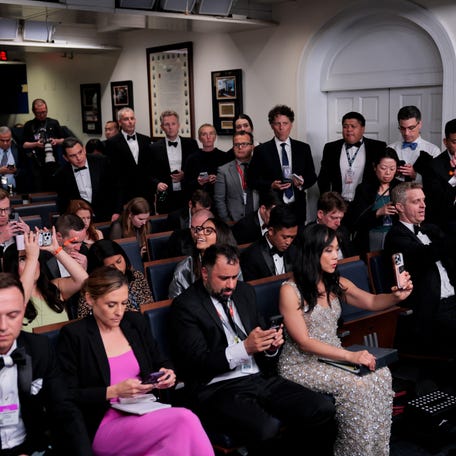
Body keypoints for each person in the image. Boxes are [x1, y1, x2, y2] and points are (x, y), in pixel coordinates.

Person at [169, 243, 337, 456]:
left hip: (259, 378)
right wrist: (245, 348)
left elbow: (259, 339)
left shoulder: (245, 292)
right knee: (266, 428)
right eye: (223, 278)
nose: (231, 285)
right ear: (204, 272)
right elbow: (196, 363)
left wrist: (270, 345)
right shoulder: (185, 306)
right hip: (218, 389)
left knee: (322, 408)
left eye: (234, 277)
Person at [278, 223, 413, 456]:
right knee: (357, 385)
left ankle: (377, 452)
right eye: (329, 250)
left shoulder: (335, 282)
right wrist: (351, 355)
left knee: (381, 374)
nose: (336, 256)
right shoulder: (290, 290)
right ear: (312, 251)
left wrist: (396, 296)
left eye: (337, 249)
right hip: (301, 364)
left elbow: (370, 302)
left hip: (333, 357)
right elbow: (304, 342)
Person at [57, 266, 214, 456]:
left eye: (124, 303)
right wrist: (113, 391)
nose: (119, 311)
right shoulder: (75, 335)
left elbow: (161, 360)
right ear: (90, 299)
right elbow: (67, 395)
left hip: (145, 409)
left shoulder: (134, 322)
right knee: (184, 420)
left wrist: (168, 374)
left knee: (178, 438)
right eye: (111, 304)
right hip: (105, 422)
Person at [0, 272, 91, 455]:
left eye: (12, 315)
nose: (3, 326)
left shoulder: (39, 348)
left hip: (32, 446)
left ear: (24, 311)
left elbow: (64, 409)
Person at [384, 181, 456, 355]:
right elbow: (424, 255)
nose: (423, 206)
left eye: (423, 200)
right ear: (400, 207)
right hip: (431, 307)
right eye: (416, 201)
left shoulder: (430, 229)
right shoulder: (395, 236)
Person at [5, 228, 88, 331]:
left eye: (36, 258)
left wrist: (56, 249)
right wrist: (31, 257)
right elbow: (19, 301)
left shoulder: (54, 287)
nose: (33, 262)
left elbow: (83, 279)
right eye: (23, 259)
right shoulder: (6, 297)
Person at [248, 104, 317, 226]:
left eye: (285, 123)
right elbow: (251, 180)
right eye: (277, 123)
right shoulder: (261, 150)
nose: (281, 127)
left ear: (291, 124)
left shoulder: (303, 148)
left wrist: (302, 183)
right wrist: (271, 185)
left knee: (298, 241)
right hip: (273, 207)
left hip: (297, 206)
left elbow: (312, 176)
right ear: (271, 126)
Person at [318, 111, 387, 204]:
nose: (349, 130)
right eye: (345, 126)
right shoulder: (330, 148)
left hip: (366, 204)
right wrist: (328, 201)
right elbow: (323, 178)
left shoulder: (378, 147)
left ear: (362, 129)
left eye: (353, 126)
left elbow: (383, 177)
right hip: (338, 204)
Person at [345, 147, 401, 255]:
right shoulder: (364, 189)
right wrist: (378, 212)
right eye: (383, 168)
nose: (388, 173)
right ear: (375, 167)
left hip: (395, 237)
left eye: (392, 169)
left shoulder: (400, 187)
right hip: (370, 237)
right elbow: (356, 221)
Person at [77, 239, 153, 318]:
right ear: (99, 269)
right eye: (111, 267)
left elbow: (150, 306)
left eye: (119, 261)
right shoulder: (92, 289)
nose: (118, 269)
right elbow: (86, 320)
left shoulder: (136, 276)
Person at [53, 136, 120, 222]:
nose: (78, 158)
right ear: (66, 158)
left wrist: (117, 211)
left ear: (84, 149)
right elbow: (63, 203)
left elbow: (117, 187)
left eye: (80, 152)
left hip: (107, 216)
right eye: (73, 156)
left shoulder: (102, 161)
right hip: (79, 220)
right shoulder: (61, 175)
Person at [168, 215, 236, 298]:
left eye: (208, 231)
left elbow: (237, 296)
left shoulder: (232, 263)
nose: (199, 233)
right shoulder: (185, 268)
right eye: (200, 229)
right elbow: (176, 303)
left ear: (220, 237)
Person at [150, 110, 199, 214]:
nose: (170, 127)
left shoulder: (191, 144)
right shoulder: (153, 148)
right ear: (162, 127)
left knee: (188, 223)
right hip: (164, 195)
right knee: (165, 223)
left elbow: (197, 169)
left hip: (187, 193)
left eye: (173, 123)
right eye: (167, 124)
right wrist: (157, 184)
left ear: (178, 125)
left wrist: (185, 175)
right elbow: (149, 173)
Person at [104, 108, 154, 207]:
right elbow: (113, 173)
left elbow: (150, 167)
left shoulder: (146, 140)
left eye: (132, 118)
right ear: (120, 122)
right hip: (124, 194)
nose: (130, 122)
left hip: (145, 193)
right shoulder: (111, 143)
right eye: (126, 119)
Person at [240, 204, 298, 281]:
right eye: (285, 237)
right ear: (271, 231)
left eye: (292, 237)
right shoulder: (251, 256)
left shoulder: (295, 251)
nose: (289, 242)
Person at [22, 98, 67, 192]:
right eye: (39, 113)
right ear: (34, 112)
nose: (42, 115)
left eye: (44, 112)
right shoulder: (29, 125)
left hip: (53, 162)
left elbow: (64, 140)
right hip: (36, 164)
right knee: (39, 189)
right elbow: (24, 144)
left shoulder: (53, 123)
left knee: (54, 189)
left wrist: (55, 141)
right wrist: (36, 144)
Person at [387, 105, 440, 183]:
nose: (406, 133)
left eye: (411, 128)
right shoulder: (390, 148)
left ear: (419, 124)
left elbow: (437, 181)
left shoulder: (433, 150)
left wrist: (415, 175)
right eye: (402, 128)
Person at [214, 131, 259, 223]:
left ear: (252, 146)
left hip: (258, 221)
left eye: (244, 144)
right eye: (236, 144)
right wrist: (227, 221)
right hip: (234, 222)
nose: (240, 147)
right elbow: (219, 200)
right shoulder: (223, 170)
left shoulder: (261, 167)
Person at [423, 118, 456, 233]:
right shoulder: (433, 166)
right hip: (445, 226)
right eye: (455, 142)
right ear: (445, 142)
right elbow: (437, 203)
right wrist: (455, 179)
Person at [183, 123, 229, 199]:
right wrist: (198, 182)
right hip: (198, 200)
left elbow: (230, 181)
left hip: (219, 199)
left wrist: (218, 179)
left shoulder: (224, 157)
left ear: (215, 136)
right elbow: (185, 184)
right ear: (200, 138)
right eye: (204, 134)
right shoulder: (192, 158)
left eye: (211, 133)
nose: (208, 137)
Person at [309, 191, 356, 259]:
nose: (338, 223)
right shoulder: (308, 234)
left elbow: (352, 259)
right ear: (320, 214)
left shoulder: (343, 231)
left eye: (340, 218)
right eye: (334, 218)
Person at [0, 188, 31, 263]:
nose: (3, 214)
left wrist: (28, 237)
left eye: (6, 209)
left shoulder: (16, 226)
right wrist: (1, 239)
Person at [0, 125, 25, 193]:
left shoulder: (18, 150)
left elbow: (26, 170)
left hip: (13, 188)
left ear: (11, 138)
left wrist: (16, 170)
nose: (5, 143)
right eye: (2, 140)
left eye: (8, 140)